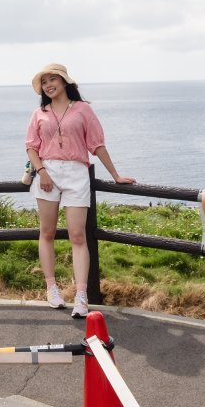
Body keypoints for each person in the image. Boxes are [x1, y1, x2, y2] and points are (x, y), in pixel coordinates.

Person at [25, 63, 135, 319]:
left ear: (65, 82)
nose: (49, 85)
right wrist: (42, 172)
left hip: (76, 173)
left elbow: (96, 145)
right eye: (44, 82)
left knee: (77, 235)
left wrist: (115, 175)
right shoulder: (39, 113)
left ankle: (81, 295)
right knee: (47, 232)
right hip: (47, 172)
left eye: (53, 79)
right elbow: (31, 146)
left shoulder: (83, 110)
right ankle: (51, 288)